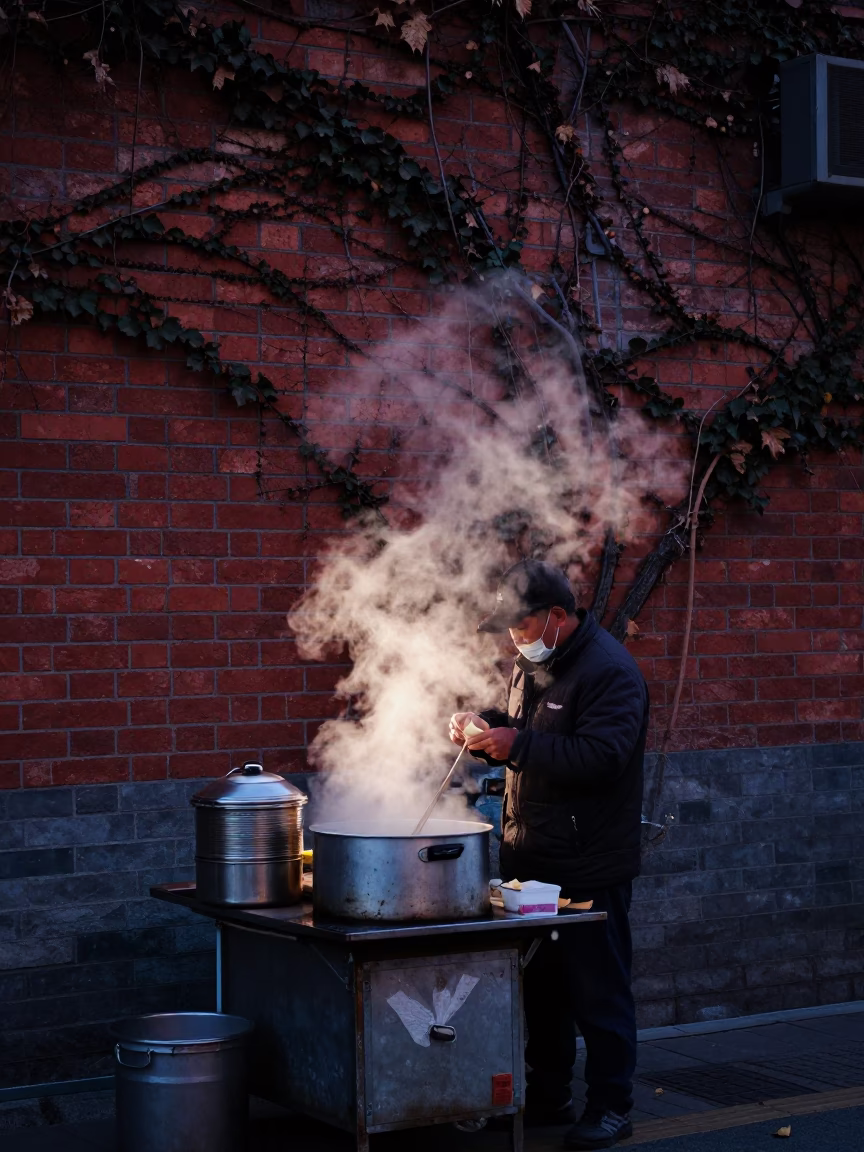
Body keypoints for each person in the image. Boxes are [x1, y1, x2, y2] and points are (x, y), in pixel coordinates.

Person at [449, 559, 648, 1151]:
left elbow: (601, 757)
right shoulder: (536, 662)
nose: (516, 640)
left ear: (558, 617)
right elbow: (524, 730)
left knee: (598, 990)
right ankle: (549, 1092)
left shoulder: (611, 671)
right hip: (531, 860)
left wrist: (520, 745)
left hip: (588, 862)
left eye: (523, 627)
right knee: (542, 989)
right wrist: (486, 729)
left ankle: (613, 1105)